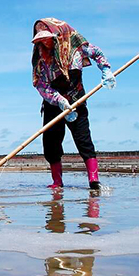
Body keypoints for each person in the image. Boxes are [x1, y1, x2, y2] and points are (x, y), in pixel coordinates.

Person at [31, 17, 116, 190]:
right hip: (53, 103)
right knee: (51, 143)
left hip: (77, 98)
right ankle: (57, 182)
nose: (44, 42)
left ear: (56, 35)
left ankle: (94, 180)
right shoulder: (40, 56)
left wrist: (106, 70)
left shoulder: (75, 48)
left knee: (83, 139)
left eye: (47, 38)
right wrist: (59, 100)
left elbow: (97, 54)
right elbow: (40, 84)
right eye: (40, 39)